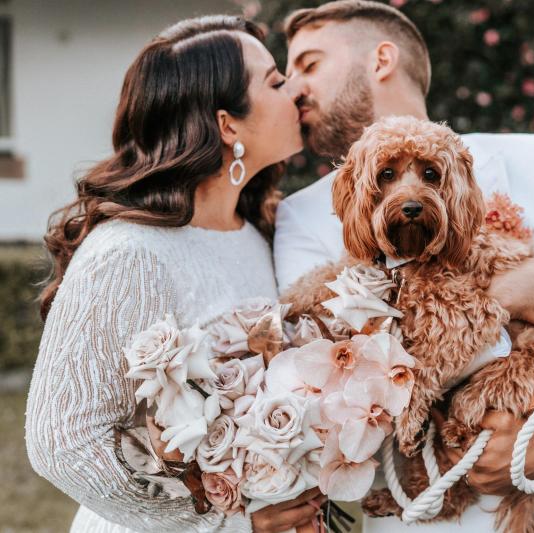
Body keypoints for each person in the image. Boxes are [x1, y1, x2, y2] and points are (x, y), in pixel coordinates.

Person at [273, 1, 534, 532]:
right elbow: (329, 385)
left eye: (309, 65)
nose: (293, 88)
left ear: (381, 59)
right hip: (426, 513)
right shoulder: (302, 216)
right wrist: (505, 296)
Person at [25, 15, 326, 533]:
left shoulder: (255, 235)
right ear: (228, 124)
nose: (296, 90)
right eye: (276, 81)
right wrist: (224, 524)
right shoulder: (127, 252)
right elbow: (61, 441)